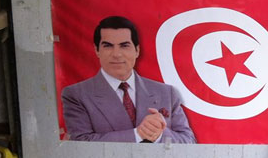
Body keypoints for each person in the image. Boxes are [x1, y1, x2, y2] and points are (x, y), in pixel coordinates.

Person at [61, 16, 196, 144]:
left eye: (124, 45)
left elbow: (189, 141)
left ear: (137, 50)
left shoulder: (167, 93)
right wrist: (138, 134)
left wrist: (160, 134)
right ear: (97, 50)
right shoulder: (76, 95)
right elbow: (79, 144)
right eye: (108, 46)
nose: (117, 54)